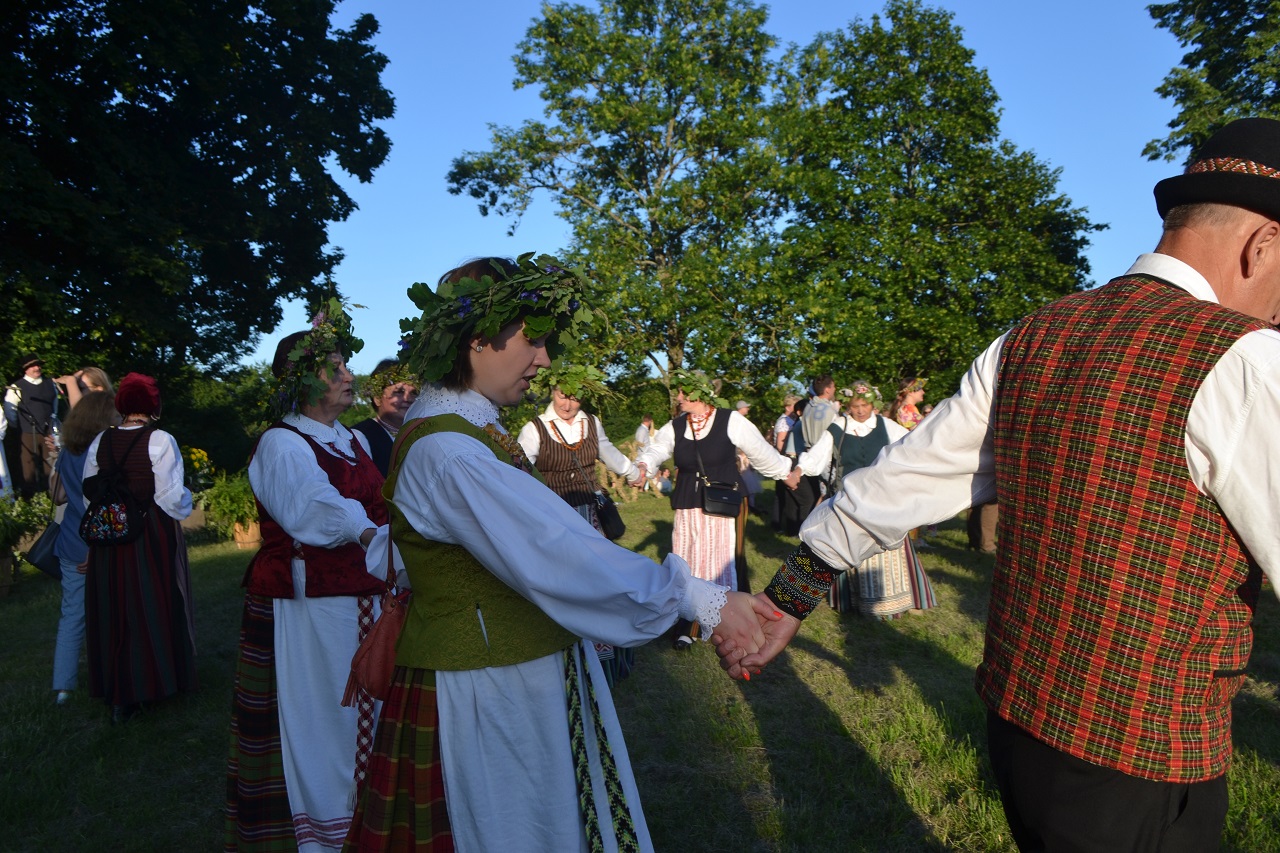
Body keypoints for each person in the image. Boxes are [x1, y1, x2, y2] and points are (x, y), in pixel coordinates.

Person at [720, 118, 1280, 851]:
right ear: (1263, 244)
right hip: (1142, 757)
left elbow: (904, 477)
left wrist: (789, 595)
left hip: (1020, 728)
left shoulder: (1033, 334)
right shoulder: (1249, 360)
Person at [343, 254, 775, 852]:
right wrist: (702, 599)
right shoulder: (450, 450)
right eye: (533, 339)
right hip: (488, 689)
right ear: (477, 339)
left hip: (505, 665)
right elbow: (557, 551)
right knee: (514, 830)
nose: (544, 360)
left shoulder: (461, 432)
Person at [225, 299, 390, 851]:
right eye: (334, 367)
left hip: (365, 596)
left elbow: (380, 501)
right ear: (302, 381)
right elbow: (312, 506)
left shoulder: (352, 438)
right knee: (326, 717)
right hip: (313, 603)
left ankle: (369, 819)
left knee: (368, 708)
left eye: (346, 365)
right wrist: (368, 534)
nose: (348, 375)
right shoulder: (282, 443)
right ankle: (329, 829)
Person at [633, 367, 793, 649]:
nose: (679, 397)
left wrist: (785, 472)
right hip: (688, 500)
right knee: (687, 560)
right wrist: (645, 464)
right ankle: (687, 624)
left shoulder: (731, 420)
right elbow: (657, 448)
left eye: (683, 392)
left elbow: (760, 451)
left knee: (723, 560)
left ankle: (732, 621)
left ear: (700, 393)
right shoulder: (676, 426)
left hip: (723, 501)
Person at [516, 359, 641, 685]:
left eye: (574, 397)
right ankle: (564, 658)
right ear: (552, 392)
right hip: (555, 520)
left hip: (592, 518)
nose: (568, 404)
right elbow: (518, 469)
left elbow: (608, 453)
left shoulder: (591, 423)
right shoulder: (534, 428)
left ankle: (605, 657)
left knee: (601, 583)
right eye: (562, 395)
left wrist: (633, 472)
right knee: (563, 585)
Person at [83, 373, 195, 723]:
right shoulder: (160, 440)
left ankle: (118, 690)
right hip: (147, 535)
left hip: (108, 538)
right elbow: (170, 496)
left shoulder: (101, 440)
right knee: (148, 602)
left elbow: (89, 490)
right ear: (152, 405)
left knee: (113, 606)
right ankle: (151, 683)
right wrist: (187, 502)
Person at [787, 381, 935, 618]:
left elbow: (912, 444)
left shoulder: (886, 426)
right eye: (855, 406)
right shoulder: (839, 426)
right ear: (849, 406)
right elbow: (817, 454)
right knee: (854, 545)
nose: (860, 411)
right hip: (852, 499)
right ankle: (858, 600)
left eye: (864, 405)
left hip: (882, 498)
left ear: (873, 405)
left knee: (887, 546)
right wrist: (799, 470)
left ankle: (902, 598)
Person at [50, 391, 121, 706]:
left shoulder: (68, 451)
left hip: (69, 542)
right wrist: (96, 546)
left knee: (72, 616)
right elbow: (102, 503)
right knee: (111, 613)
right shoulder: (103, 453)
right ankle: (112, 677)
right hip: (98, 543)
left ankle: (63, 688)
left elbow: (59, 497)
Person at [350, 358, 419, 475]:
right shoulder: (360, 437)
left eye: (414, 393)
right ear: (377, 398)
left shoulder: (422, 434)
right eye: (399, 392)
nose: (407, 399)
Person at [4, 354, 59, 498]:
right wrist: (17, 426)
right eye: (33, 366)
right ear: (26, 369)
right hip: (27, 432)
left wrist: (52, 421)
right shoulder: (17, 387)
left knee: (51, 464)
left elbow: (54, 405)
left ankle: (53, 495)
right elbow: (10, 410)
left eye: (38, 365)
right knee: (28, 466)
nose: (37, 368)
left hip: (48, 431)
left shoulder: (50, 384)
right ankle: (28, 498)